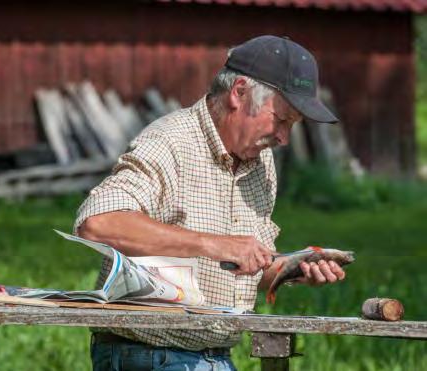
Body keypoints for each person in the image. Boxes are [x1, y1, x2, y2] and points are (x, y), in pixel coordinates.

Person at [74, 35, 347, 371]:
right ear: (239, 93)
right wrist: (213, 244)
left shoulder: (260, 165)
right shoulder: (169, 143)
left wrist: (291, 270)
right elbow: (98, 224)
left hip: (215, 356)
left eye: (292, 126)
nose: (284, 138)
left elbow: (245, 267)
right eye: (281, 119)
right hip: (147, 354)